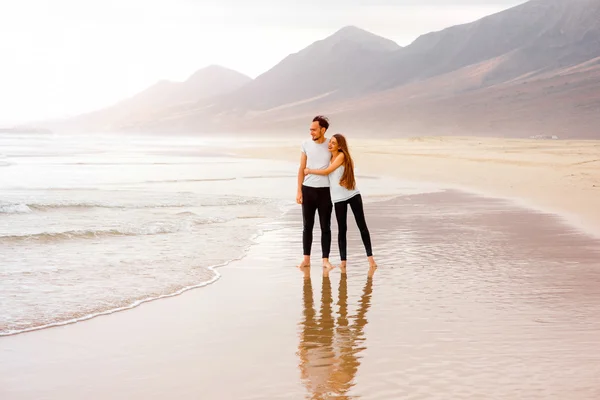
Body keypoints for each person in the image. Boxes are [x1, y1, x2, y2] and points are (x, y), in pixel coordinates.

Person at [304, 133, 377, 273]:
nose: (330, 145)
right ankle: (343, 262)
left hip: (352, 195)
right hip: (337, 199)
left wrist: (309, 171)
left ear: (340, 146)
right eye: (329, 142)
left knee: (362, 226)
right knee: (342, 230)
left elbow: (326, 172)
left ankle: (371, 259)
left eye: (333, 143)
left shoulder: (341, 156)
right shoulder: (328, 158)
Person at [296, 115, 335, 274]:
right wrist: (299, 190)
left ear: (323, 130)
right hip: (308, 189)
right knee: (307, 226)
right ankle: (306, 259)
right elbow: (301, 168)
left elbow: (336, 166)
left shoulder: (330, 144)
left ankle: (325, 260)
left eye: (314, 129)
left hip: (326, 191)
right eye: (310, 129)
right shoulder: (305, 144)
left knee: (326, 226)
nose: (311, 132)